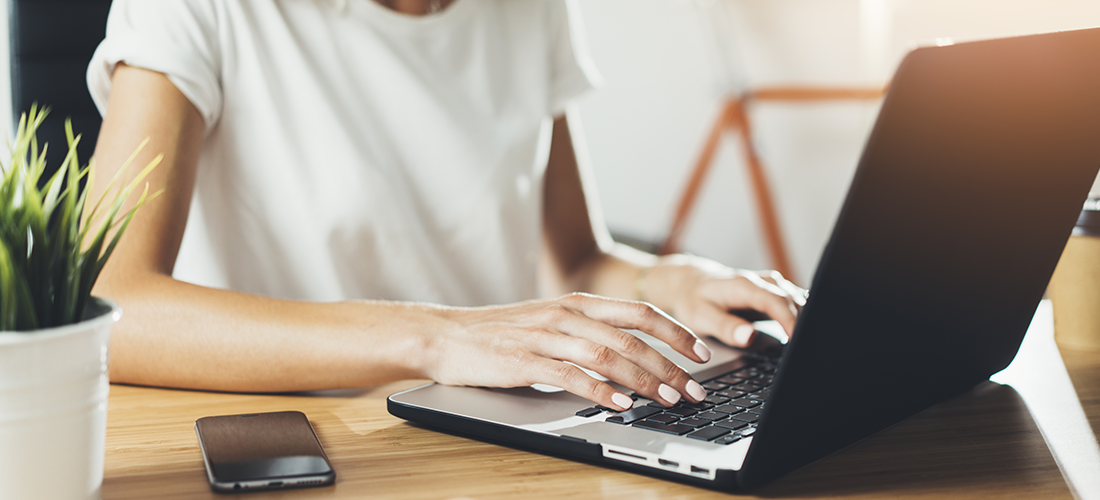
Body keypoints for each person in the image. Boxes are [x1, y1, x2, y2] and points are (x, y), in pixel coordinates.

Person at [86, 0, 804, 412]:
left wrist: (675, 281)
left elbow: (578, 257)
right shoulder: (192, 8)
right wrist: (434, 338)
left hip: (494, 433)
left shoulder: (529, 9)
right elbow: (105, 308)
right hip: (310, 435)